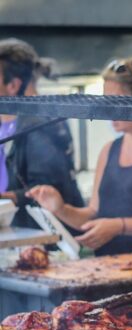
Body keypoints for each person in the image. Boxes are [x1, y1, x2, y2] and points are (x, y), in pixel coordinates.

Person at [27, 60, 132, 256]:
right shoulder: (109, 150)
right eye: (106, 102)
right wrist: (61, 209)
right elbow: (92, 214)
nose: (109, 110)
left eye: (116, 100)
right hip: (110, 267)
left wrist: (119, 226)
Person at [0, 39, 84, 228]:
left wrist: (9, 198)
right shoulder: (5, 122)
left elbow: (48, 189)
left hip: (41, 237)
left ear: (13, 85)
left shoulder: (41, 125)